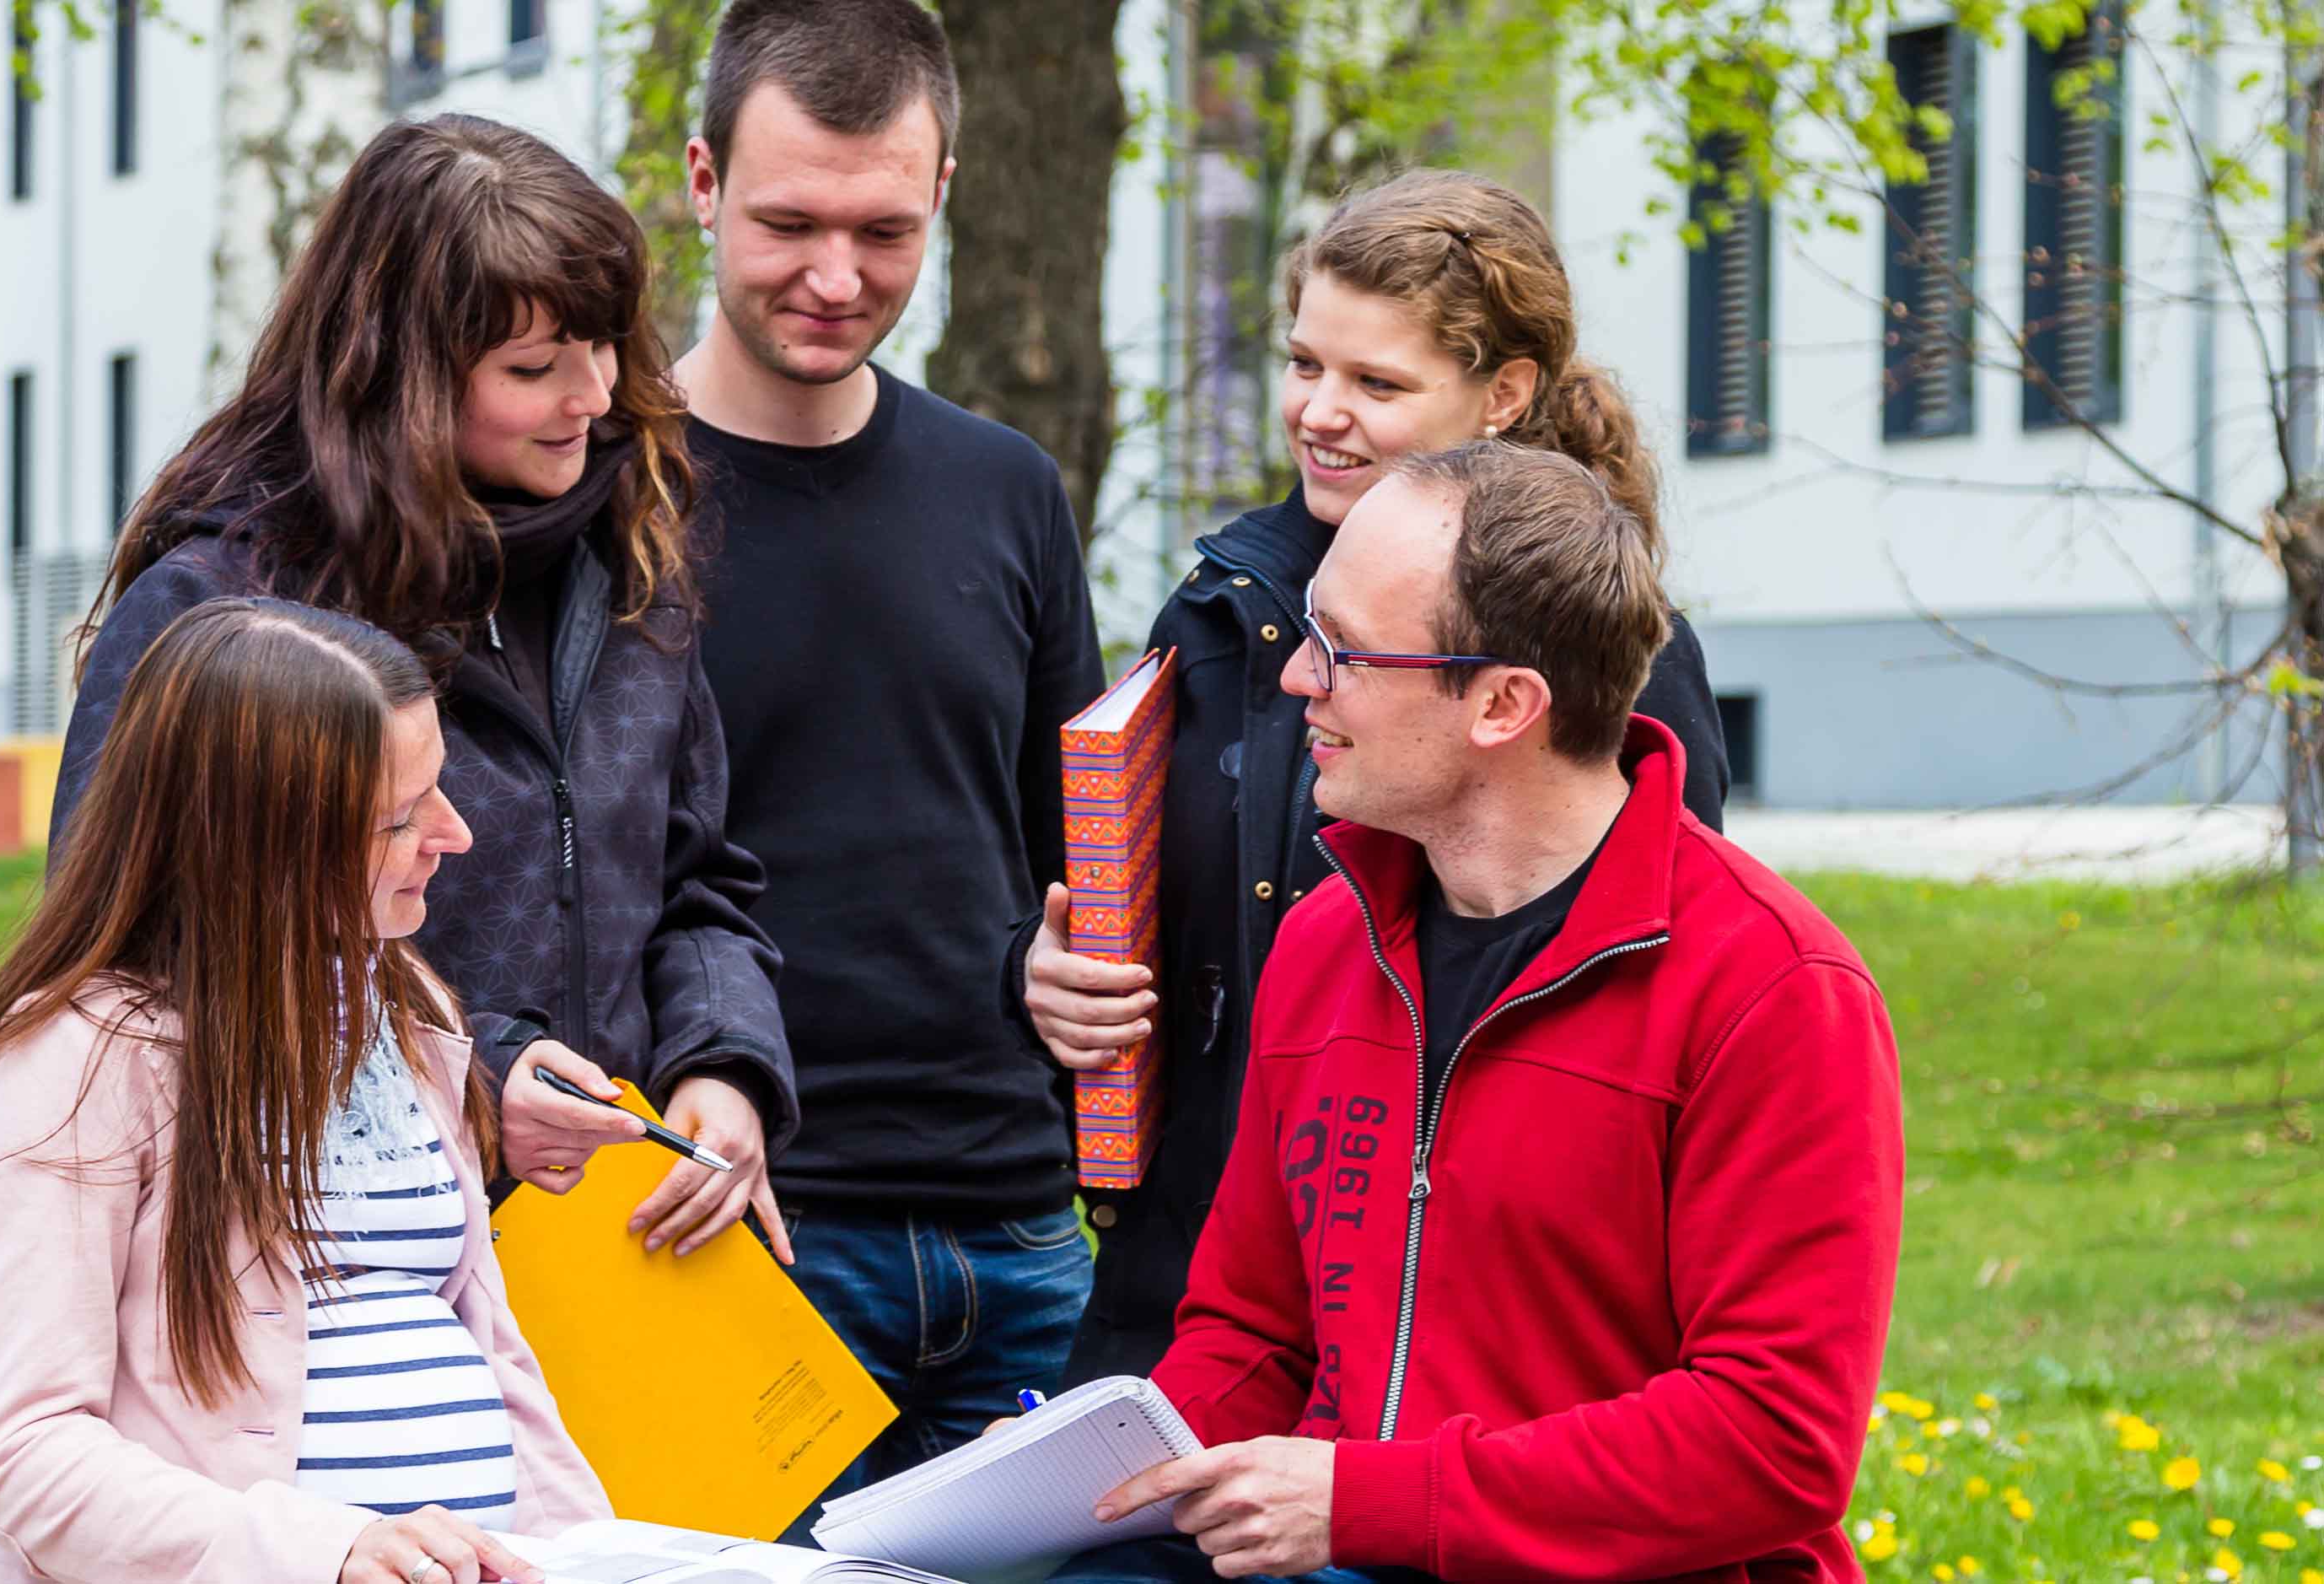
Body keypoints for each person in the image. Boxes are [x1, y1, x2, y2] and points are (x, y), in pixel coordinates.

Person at [1058, 443, 1900, 1584]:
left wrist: (1371, 1500)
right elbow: (1250, 1332)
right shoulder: (1322, 941)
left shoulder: (1772, 989)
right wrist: (1075, 1481)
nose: (1298, 678)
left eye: (1341, 651)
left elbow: (1771, 1443)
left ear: (1503, 704)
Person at [1031, 170, 1737, 1387]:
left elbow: (1645, 999)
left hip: (1436, 1313)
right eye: (1304, 363)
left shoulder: (1609, 661)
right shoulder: (1218, 608)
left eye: (1377, 383)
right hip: (1191, 1277)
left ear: (1502, 394)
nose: (1319, 411)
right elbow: (1170, 920)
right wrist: (1061, 986)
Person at [52, 115, 794, 1261]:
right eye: (533, 369)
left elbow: (694, 879)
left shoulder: (630, 558)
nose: (593, 397)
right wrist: (475, 1074)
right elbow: (138, 976)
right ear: (397, 376)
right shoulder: (221, 605)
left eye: (604, 344)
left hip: (613, 1254)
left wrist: (721, 1063)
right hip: (336, 1270)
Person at [0, 597, 611, 1584]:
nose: (451, 836)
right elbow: (22, 1449)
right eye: (398, 818)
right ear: (262, 844)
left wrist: (590, 1552)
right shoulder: (75, 1064)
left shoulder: (408, 1013)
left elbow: (491, 1358)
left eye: (438, 790)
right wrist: (327, 1551)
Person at [671, 0, 1106, 1515]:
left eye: (886, 230)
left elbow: (1077, 846)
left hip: (1020, 1229)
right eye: (791, 221)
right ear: (702, 180)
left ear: (947, 197)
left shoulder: (1006, 486)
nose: (837, 277)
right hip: (740, 1234)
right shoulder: (602, 504)